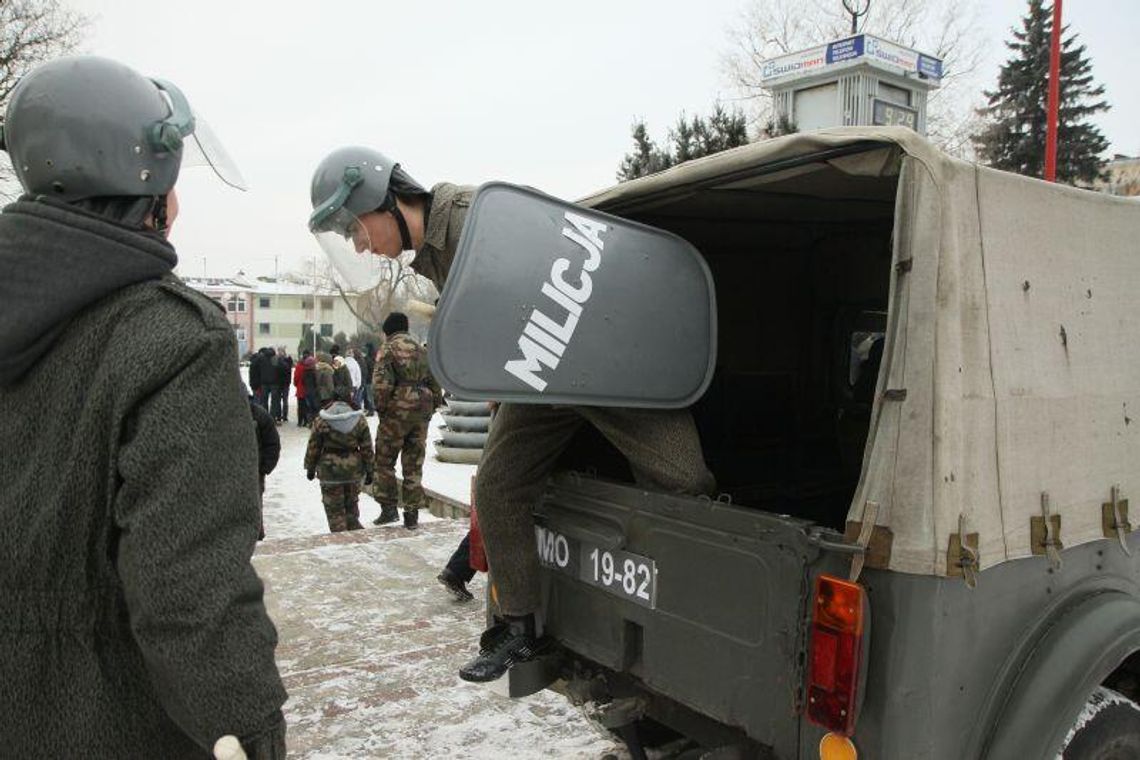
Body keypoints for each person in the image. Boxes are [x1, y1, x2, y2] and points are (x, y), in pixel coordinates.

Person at [308, 147, 715, 683]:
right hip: (544, 373)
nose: (364, 246)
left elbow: (565, 262)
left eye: (359, 231)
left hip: (605, 357)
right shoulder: (432, 253)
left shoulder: (475, 215)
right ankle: (520, 630)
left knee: (684, 480)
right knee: (498, 488)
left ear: (384, 201)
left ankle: (700, 607)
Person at [0, 56, 286, 758]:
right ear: (149, 186)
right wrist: (250, 733)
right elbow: (189, 593)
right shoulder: (169, 339)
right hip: (110, 721)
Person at [368, 311, 443, 530]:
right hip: (421, 411)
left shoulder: (388, 349)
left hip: (396, 412)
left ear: (388, 330)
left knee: (384, 460)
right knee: (413, 462)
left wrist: (382, 409)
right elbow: (435, 380)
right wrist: (433, 404)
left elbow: (381, 385)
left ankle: (389, 509)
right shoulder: (422, 349)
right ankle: (412, 514)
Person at [304, 398, 374, 533]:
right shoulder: (359, 420)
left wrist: (310, 467)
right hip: (353, 470)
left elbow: (314, 447)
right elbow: (367, 447)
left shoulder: (321, 420)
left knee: (335, 511)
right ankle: (355, 537)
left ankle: (340, 541)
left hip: (330, 471)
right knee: (352, 506)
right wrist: (370, 469)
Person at [245, 382, 280, 541]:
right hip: (227, 472)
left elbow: (272, 443)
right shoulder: (221, 414)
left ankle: (256, 535)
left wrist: (264, 467)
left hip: (254, 470)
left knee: (254, 504)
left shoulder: (258, 414)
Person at [293, 349, 312, 427]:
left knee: (300, 406)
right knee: (307, 406)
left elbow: (296, 377)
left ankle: (300, 421)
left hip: (300, 389)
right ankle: (306, 421)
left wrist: (296, 384)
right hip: (309, 389)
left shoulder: (299, 366)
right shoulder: (311, 365)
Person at [275, 347, 293, 423]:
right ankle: (285, 416)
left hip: (278, 384)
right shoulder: (288, 361)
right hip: (286, 383)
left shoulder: (276, 362)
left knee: (279, 400)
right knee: (285, 400)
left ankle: (279, 416)